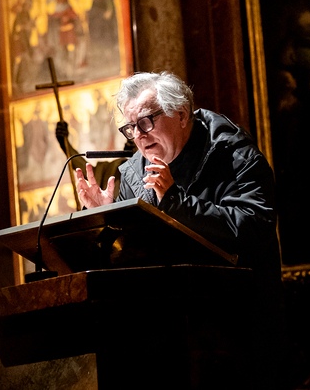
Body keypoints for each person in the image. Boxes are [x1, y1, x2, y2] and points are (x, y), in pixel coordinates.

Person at [75, 72, 284, 386]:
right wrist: (103, 218)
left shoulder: (234, 156)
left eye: (146, 122)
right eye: (130, 127)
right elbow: (129, 257)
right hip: (159, 341)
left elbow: (254, 230)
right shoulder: (132, 174)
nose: (138, 136)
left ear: (182, 115)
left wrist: (175, 201)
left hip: (237, 333)